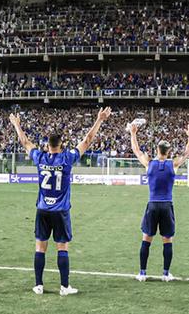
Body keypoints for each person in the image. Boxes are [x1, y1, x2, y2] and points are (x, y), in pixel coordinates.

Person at [10, 107, 112, 295]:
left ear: (47, 145)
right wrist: (99, 120)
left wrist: (17, 124)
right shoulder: (66, 158)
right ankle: (64, 287)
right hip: (60, 210)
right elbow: (88, 140)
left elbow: (24, 142)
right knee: (62, 247)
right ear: (61, 145)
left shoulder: (40, 157)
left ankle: (39, 285)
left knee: (40, 247)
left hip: (42, 209)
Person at [129, 117, 189, 282]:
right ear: (168, 151)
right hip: (167, 205)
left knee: (146, 239)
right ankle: (165, 274)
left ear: (157, 150)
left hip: (152, 205)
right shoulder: (173, 164)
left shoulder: (149, 163)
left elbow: (136, 150)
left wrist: (133, 134)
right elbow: (187, 152)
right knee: (167, 240)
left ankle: (142, 273)